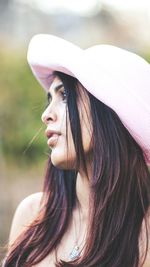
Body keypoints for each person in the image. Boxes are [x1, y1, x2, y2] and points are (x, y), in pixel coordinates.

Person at [3, 34, 150, 267]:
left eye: (65, 96)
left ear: (107, 110)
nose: (46, 114)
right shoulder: (33, 215)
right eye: (49, 99)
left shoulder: (144, 234)